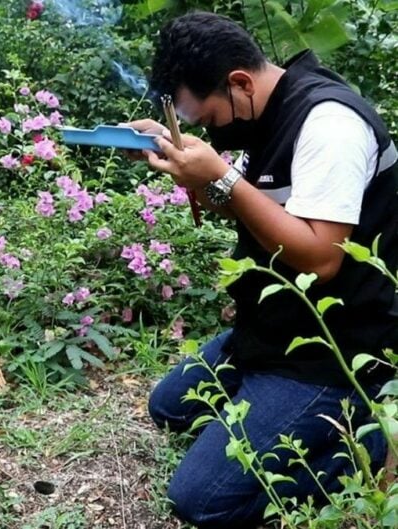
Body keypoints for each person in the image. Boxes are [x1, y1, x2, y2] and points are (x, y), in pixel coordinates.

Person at [124, 11, 398, 529]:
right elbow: (256, 207)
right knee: (169, 408)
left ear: (240, 83)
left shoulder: (329, 125)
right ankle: (279, 413)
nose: (211, 133)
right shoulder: (261, 113)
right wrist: (187, 164)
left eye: (206, 119)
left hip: (335, 344)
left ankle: (368, 428)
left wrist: (221, 176)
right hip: (271, 326)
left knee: (199, 500)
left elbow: (321, 256)